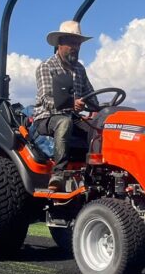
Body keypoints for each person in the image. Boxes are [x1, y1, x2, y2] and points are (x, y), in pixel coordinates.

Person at [34, 20, 99, 191]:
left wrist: (99, 109)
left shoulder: (79, 69)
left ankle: (95, 173)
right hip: (47, 118)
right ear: (60, 44)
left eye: (78, 43)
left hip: (73, 116)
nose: (75, 47)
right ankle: (58, 174)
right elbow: (46, 99)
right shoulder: (47, 67)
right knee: (64, 122)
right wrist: (71, 104)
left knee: (99, 129)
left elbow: (90, 95)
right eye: (71, 43)